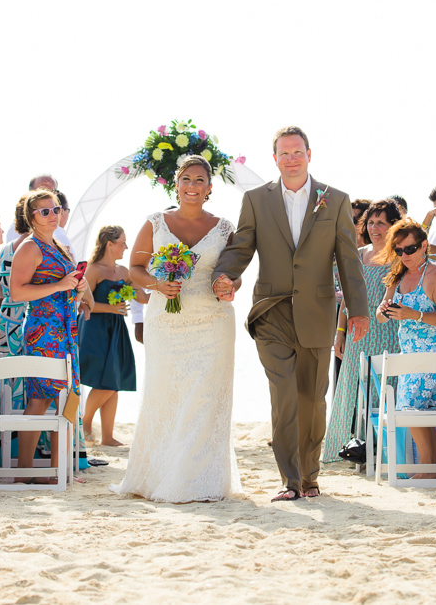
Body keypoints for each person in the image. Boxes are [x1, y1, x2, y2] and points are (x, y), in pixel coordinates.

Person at [213, 126, 368, 501]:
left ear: (309, 155)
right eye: (285, 153)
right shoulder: (255, 199)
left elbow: (349, 260)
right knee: (283, 394)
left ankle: (310, 477)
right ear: (275, 158)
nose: (292, 158)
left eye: (298, 151)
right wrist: (225, 274)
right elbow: (243, 245)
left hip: (317, 312)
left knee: (312, 399)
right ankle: (290, 480)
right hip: (271, 312)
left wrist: (358, 310)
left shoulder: (336, 199)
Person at [114, 155, 242, 502]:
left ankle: (198, 480)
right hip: (166, 324)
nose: (192, 186)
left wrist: (228, 285)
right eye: (186, 179)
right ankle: (163, 473)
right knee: (167, 395)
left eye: (200, 180)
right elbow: (135, 268)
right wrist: (157, 284)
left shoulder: (224, 228)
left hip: (212, 323)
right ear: (176, 184)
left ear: (210, 188)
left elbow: (234, 273)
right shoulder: (155, 223)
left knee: (205, 398)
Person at [9, 190, 87, 484]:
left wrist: (75, 288)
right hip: (44, 331)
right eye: (45, 211)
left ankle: (58, 469)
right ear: (31, 217)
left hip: (65, 328)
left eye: (55, 209)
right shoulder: (29, 247)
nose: (53, 215)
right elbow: (17, 292)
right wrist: (59, 286)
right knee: (41, 399)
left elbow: (62, 285)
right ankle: (26, 472)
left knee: (64, 398)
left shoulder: (55, 243)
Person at [323, 199, 402, 462]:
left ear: (393, 225)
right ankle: (347, 448)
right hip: (356, 329)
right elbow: (347, 294)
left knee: (383, 389)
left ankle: (382, 451)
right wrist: (340, 331)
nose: (375, 228)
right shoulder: (358, 254)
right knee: (350, 389)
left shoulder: (398, 256)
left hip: (387, 329)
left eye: (381, 222)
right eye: (370, 222)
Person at [375, 219, 436, 478]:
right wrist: (383, 311)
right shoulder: (396, 276)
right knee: (421, 410)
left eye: (409, 249)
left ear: (424, 246)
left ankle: (428, 469)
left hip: (432, 350)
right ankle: (435, 468)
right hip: (408, 352)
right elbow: (381, 316)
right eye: (398, 251)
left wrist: (413, 314)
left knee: (408, 407)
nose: (404, 255)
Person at [79, 226, 143, 446]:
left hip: (116, 329)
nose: (126, 247)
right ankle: (85, 420)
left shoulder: (124, 272)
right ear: (110, 244)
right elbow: (83, 304)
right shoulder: (93, 270)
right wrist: (112, 309)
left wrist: (163, 285)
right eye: (123, 242)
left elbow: (141, 296)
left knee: (114, 381)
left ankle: (107, 436)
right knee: (106, 382)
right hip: (95, 328)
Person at [0, 196, 33, 411]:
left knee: (7, 385)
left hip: (5, 321)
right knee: (32, 384)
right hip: (30, 322)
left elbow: (0, 292)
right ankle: (34, 443)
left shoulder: (6, 249)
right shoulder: (37, 249)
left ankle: (6, 443)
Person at [3, 175, 59, 244]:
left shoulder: (53, 226)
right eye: (42, 191)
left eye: (53, 191)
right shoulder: (27, 242)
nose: (48, 195)